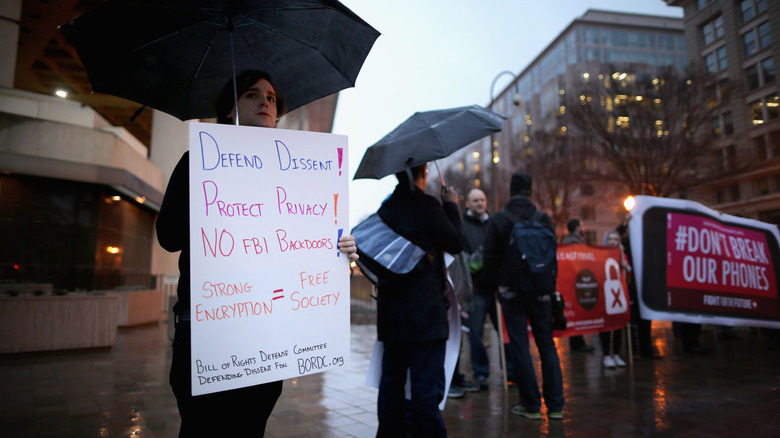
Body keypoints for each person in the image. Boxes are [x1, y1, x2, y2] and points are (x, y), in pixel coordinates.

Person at [156, 70, 359, 437]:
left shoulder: (294, 179)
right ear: (229, 108)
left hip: (266, 339)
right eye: (252, 94)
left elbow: (300, 245)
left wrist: (340, 246)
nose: (265, 102)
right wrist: (215, 204)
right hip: (208, 335)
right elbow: (168, 236)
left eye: (270, 97)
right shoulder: (196, 163)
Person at [374, 163, 463, 437]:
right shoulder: (426, 206)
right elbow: (456, 242)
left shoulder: (385, 209)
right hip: (425, 314)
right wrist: (450, 205)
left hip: (391, 313)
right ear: (423, 172)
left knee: (391, 382)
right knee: (425, 385)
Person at [481, 173, 564, 421]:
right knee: (547, 345)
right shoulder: (543, 218)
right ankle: (556, 405)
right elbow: (553, 255)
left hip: (512, 291)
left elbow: (488, 257)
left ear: (511, 190)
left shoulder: (500, 219)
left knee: (520, 346)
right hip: (541, 291)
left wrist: (491, 287)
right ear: (530, 191)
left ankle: (530, 404)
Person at [462, 188, 513, 388]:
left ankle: (511, 370)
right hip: (477, 289)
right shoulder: (463, 227)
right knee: (475, 332)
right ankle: (481, 372)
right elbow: (465, 260)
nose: (480, 204)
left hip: (497, 288)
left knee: (504, 332)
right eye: (475, 200)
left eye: (482, 200)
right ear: (468, 204)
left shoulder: (495, 223)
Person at [563, 218, 595, 353]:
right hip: (575, 281)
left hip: (573, 281)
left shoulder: (569, 240)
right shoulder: (573, 241)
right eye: (581, 225)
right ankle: (577, 344)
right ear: (577, 227)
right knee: (576, 313)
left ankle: (578, 342)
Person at [600, 230, 628, 368]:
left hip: (619, 295)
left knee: (618, 325)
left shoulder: (623, 255)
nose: (612, 241)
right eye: (610, 239)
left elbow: (627, 270)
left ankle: (616, 353)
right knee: (606, 326)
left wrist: (621, 255)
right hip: (606, 296)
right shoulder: (601, 255)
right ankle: (606, 354)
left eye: (615, 239)